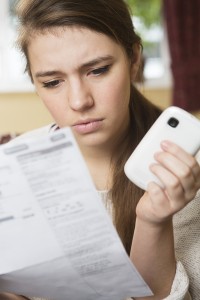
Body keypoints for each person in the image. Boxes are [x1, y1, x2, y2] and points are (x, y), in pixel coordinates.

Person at [1, 0, 200, 299]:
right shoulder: (11, 168)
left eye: (98, 70)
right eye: (53, 82)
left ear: (134, 59)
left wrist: (153, 222)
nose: (79, 101)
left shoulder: (187, 171)